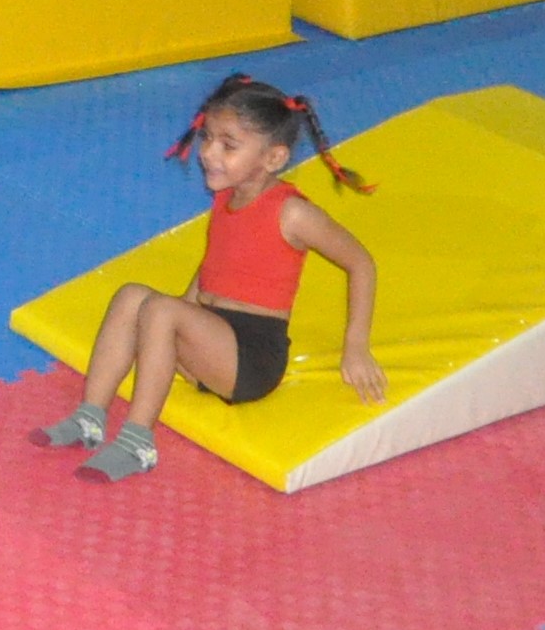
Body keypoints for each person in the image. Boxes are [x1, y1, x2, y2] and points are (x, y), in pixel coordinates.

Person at [34, 74, 382, 483]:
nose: (209, 153)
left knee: (161, 310)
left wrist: (355, 347)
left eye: (228, 146)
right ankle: (90, 417)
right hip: (211, 342)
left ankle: (138, 442)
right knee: (132, 296)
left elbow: (361, 263)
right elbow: (217, 260)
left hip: (251, 360)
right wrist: (178, 315)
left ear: (273, 158)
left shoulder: (293, 213)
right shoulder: (227, 195)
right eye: (207, 138)